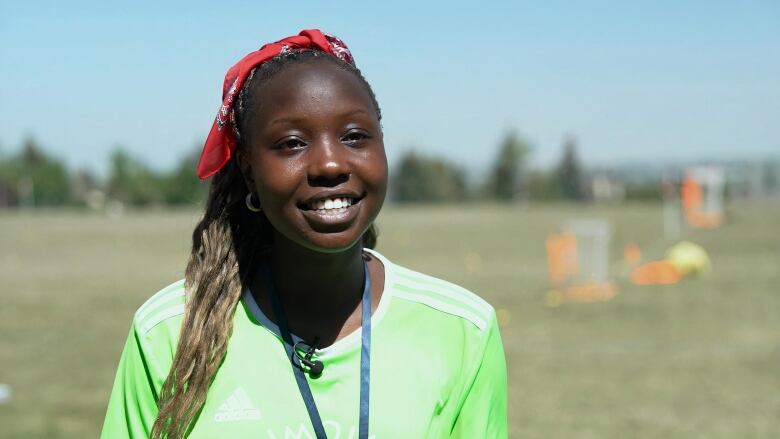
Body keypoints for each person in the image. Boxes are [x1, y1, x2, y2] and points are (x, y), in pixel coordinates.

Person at [101, 29, 507, 439]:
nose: (330, 164)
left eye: (354, 136)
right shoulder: (168, 334)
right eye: (292, 143)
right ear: (248, 171)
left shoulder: (462, 331)